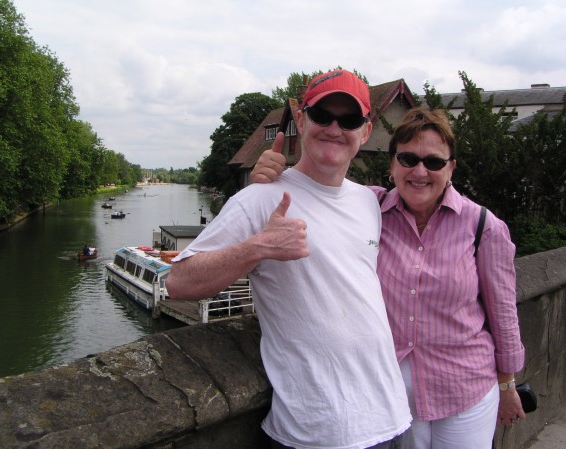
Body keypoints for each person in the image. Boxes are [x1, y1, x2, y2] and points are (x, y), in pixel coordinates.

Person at [250, 106, 525, 449]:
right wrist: (271, 179)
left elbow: (503, 314)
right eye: (408, 159)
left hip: (465, 387)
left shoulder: (483, 226)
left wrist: (507, 385)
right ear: (393, 165)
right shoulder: (368, 207)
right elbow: (316, 192)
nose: (420, 171)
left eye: (434, 162)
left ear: (451, 167)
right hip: (391, 394)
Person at [166, 70, 413, 449]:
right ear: (301, 120)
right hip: (318, 432)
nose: (334, 128)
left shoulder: (369, 201)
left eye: (349, 120)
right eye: (321, 115)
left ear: (365, 131)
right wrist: (257, 247)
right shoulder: (259, 199)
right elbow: (178, 282)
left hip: (392, 417)